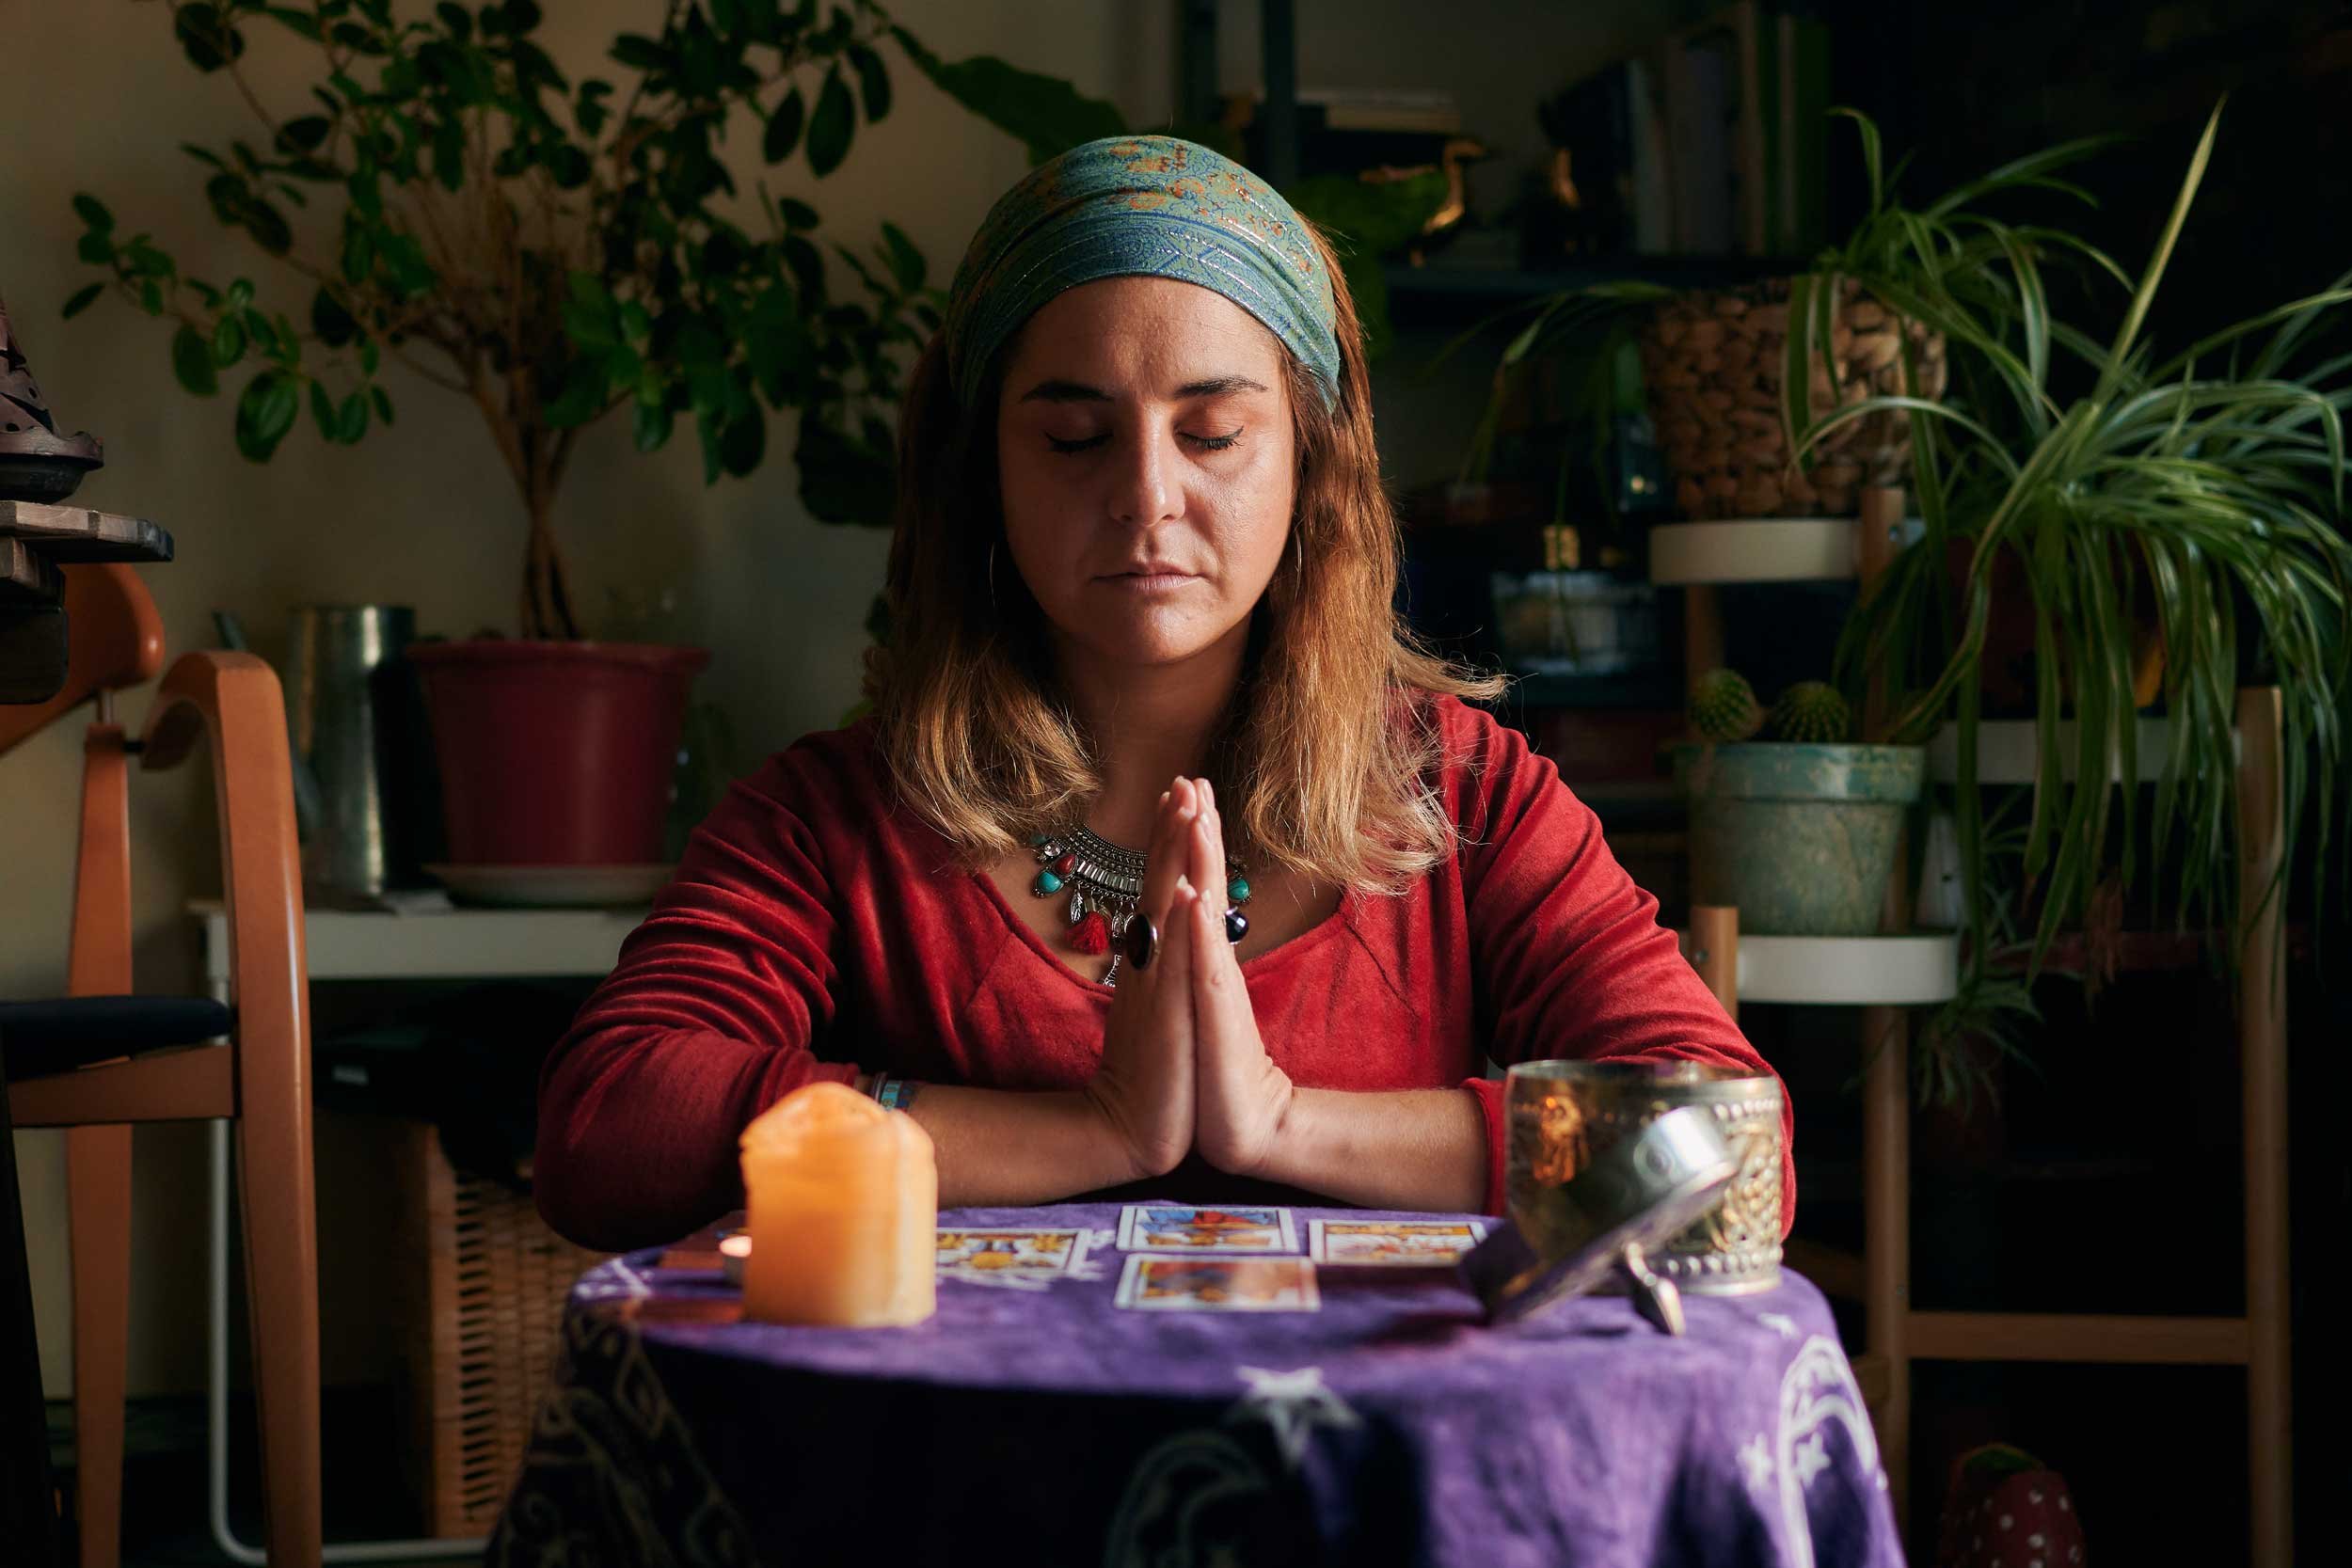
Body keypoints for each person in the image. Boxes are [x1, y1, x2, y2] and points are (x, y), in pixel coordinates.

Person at [533, 135, 1789, 1253]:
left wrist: (1287, 1124)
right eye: (1074, 438)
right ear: (984, 474)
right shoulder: (837, 819)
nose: (1145, 496)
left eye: (1212, 432)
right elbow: (609, 1129)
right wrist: (1090, 1132)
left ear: (1315, 460)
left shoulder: (1468, 796)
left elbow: (1733, 1157)